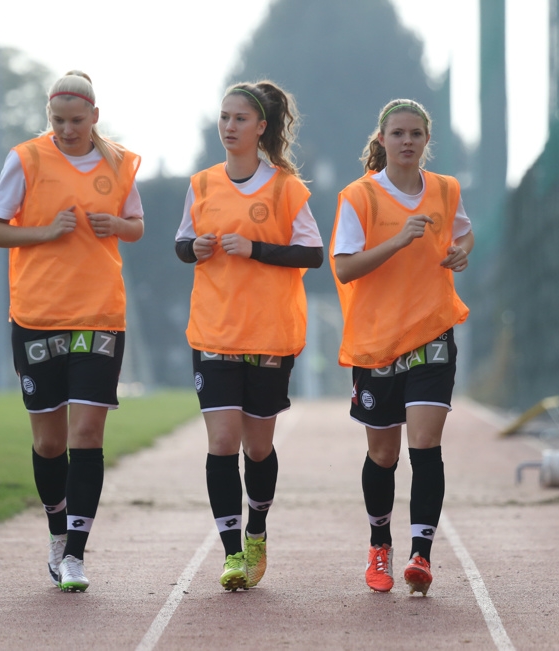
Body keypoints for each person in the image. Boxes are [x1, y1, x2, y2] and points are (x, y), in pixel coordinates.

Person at [0, 70, 143, 593]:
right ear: (47, 117)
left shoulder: (118, 162)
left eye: (76, 121)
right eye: (58, 121)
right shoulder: (25, 159)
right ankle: (56, 533)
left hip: (98, 315)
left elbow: (136, 224)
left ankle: (75, 554)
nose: (67, 130)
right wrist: (45, 233)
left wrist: (116, 227)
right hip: (38, 315)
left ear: (95, 116)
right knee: (49, 442)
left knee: (87, 435)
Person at [174, 81, 323, 592]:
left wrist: (255, 248)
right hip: (213, 331)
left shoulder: (285, 187)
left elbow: (312, 254)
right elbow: (181, 244)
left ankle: (257, 528)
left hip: (268, 335)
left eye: (240, 119)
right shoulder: (202, 184)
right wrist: (195, 248)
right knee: (222, 441)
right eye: (224, 117)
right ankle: (233, 551)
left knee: (258, 448)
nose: (229, 127)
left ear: (261, 127)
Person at [330, 99, 473, 596]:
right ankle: (378, 547)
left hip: (432, 332)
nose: (407, 141)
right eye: (398, 133)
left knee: (425, 445)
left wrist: (460, 252)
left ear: (426, 140)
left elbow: (465, 231)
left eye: (416, 133)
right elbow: (344, 267)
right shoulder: (359, 196)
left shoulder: (445, 190)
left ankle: (421, 554)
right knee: (384, 453)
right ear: (382, 139)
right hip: (377, 343)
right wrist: (398, 241)